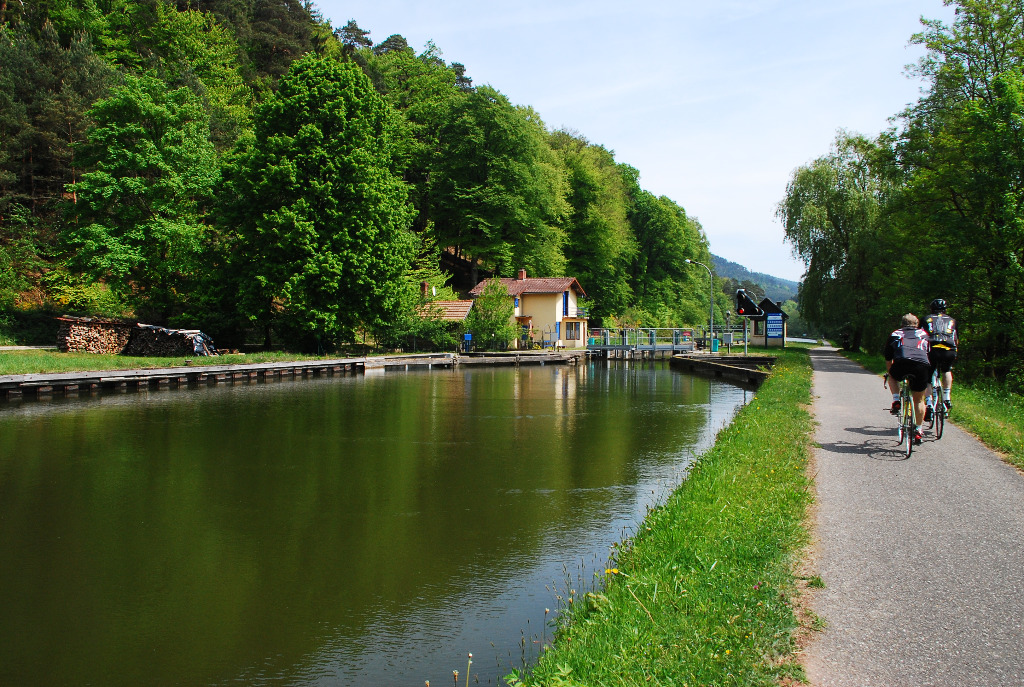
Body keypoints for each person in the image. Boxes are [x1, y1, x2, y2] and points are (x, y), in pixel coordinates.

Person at [884, 313, 932, 444]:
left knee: (892, 376)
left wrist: (890, 372)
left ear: (902, 324)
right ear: (916, 324)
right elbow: (929, 354)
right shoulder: (924, 334)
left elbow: (888, 357)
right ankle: (918, 430)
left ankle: (896, 400)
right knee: (919, 400)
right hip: (921, 366)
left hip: (901, 363)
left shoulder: (895, 334)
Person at [923, 298, 958, 419]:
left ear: (932, 309)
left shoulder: (926, 319)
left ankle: (928, 405)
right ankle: (947, 397)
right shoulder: (952, 320)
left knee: (927, 379)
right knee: (947, 370)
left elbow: (921, 336)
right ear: (945, 309)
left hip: (932, 349)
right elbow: (955, 339)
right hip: (949, 349)